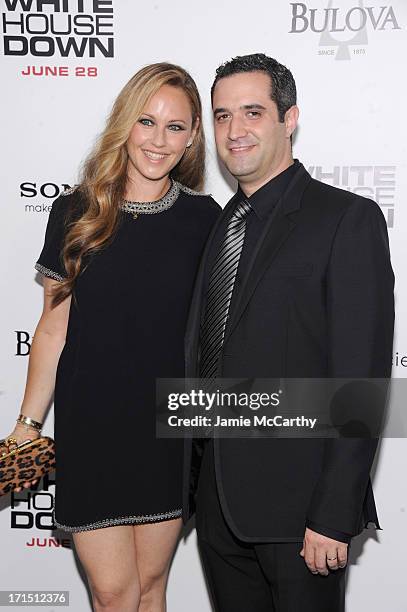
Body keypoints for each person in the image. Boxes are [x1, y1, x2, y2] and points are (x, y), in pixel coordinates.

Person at [1, 62, 221, 612]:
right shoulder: (77, 211)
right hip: (95, 429)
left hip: (169, 431)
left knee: (150, 588)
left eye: (175, 127)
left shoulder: (205, 218)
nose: (158, 140)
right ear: (125, 123)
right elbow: (53, 327)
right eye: (147, 121)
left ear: (193, 136)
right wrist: (27, 424)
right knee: (113, 593)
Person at [182, 53, 394, 611]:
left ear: (289, 118)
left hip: (303, 516)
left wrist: (333, 513)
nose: (235, 130)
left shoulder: (346, 219)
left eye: (253, 112)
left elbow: (360, 380)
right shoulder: (218, 224)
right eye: (222, 116)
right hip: (218, 509)